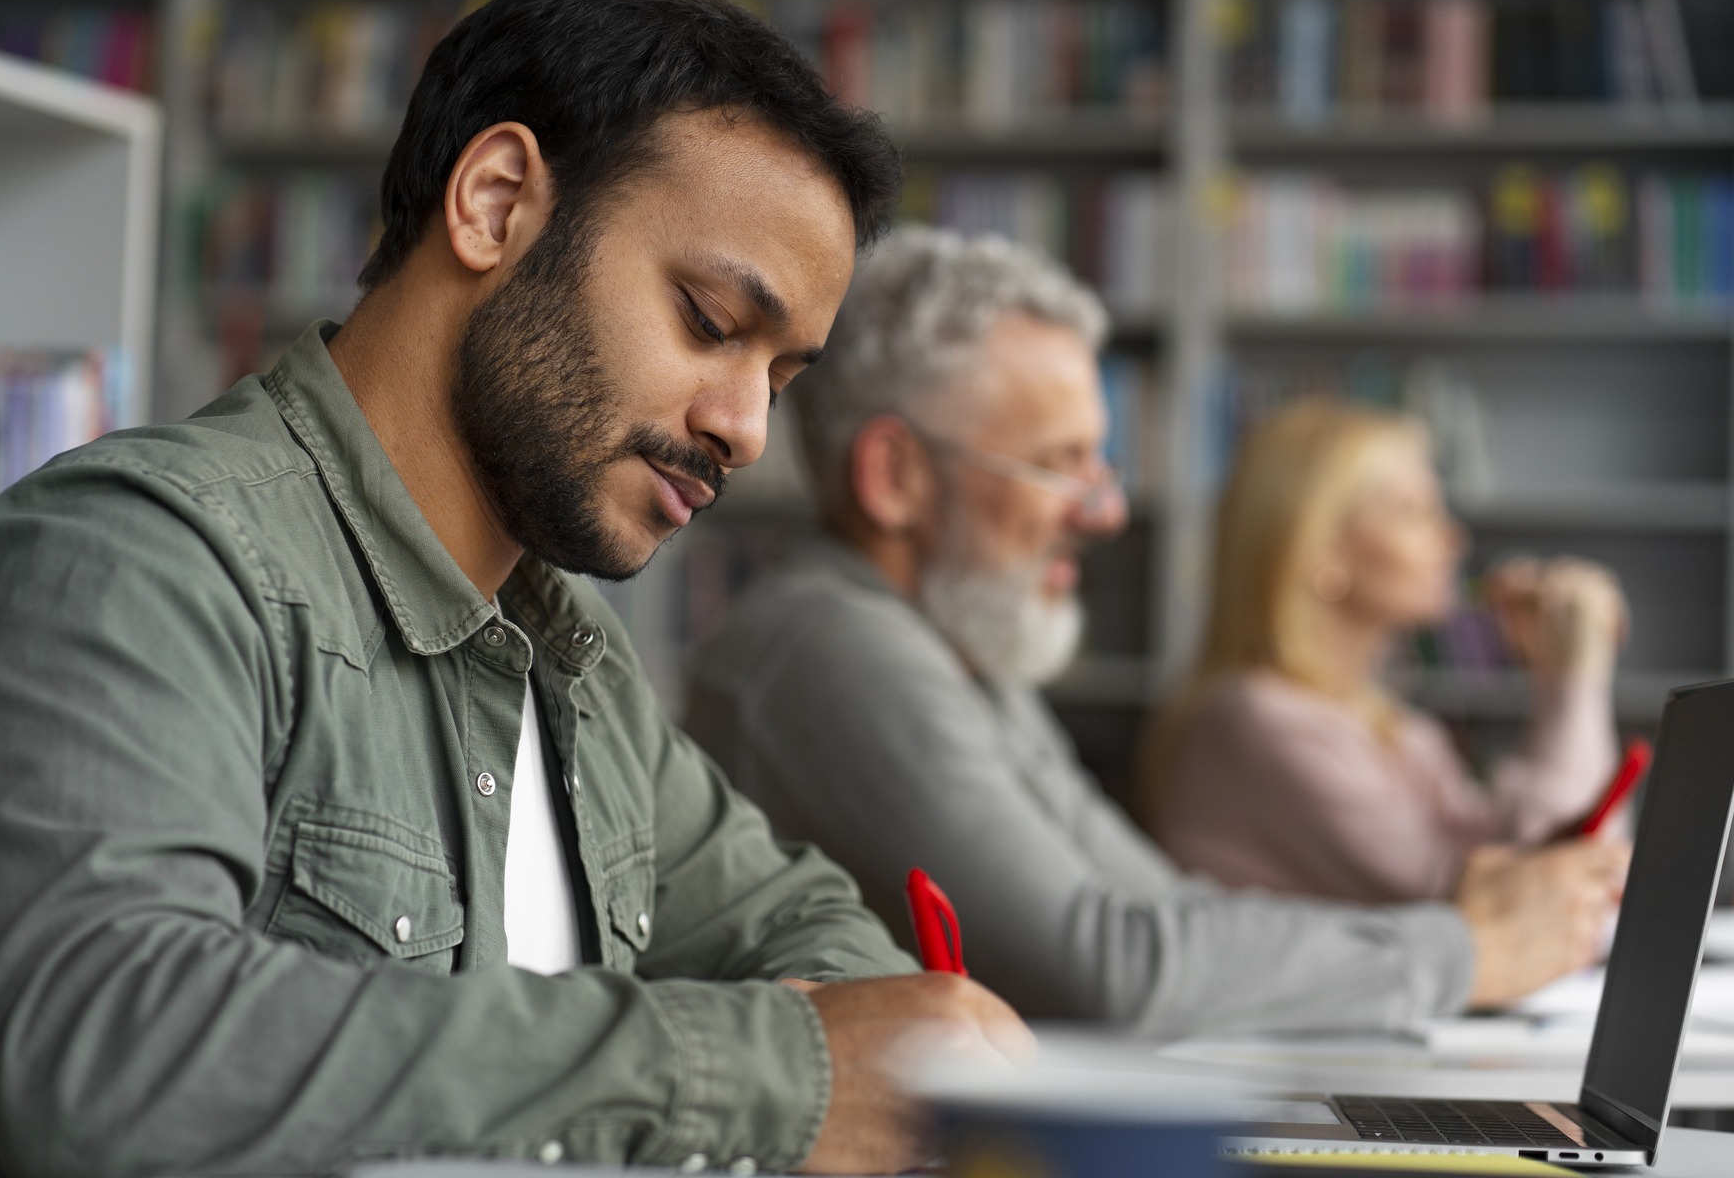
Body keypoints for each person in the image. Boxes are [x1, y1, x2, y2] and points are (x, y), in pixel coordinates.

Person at [0, 0, 1033, 1176]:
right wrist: (772, 1070)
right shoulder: (134, 561)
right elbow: (116, 1060)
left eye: (782, 375)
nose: (747, 428)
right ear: (495, 202)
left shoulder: (570, 658)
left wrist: (879, 1047)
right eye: (711, 320)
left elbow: (803, 923)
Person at [685, 226, 1628, 1033]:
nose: (1105, 511)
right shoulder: (832, 643)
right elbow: (1102, 969)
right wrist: (1462, 950)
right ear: (896, 476)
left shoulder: (954, 647)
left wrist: (1455, 944)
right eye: (1062, 465)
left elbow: (1165, 908)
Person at [1146, 400, 1630, 904]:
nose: (1452, 538)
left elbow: (1581, 879)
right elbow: (1511, 907)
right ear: (1318, 549)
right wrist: (1571, 684)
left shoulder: (1398, 731)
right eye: (1413, 511)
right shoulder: (1258, 722)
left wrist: (1565, 680)